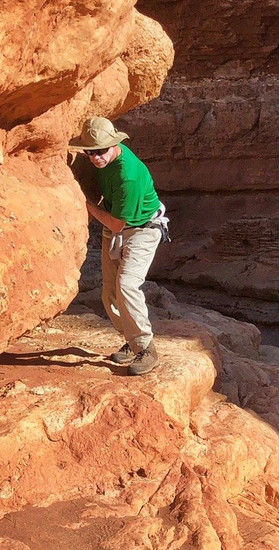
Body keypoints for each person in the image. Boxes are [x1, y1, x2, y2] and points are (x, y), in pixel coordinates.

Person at [69, 116, 169, 376]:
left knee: (126, 285)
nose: (95, 158)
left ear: (114, 145)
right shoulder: (104, 162)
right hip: (117, 225)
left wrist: (87, 204)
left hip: (142, 230)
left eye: (101, 151)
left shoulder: (128, 176)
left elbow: (116, 224)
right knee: (109, 294)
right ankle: (132, 340)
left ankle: (147, 349)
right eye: (90, 152)